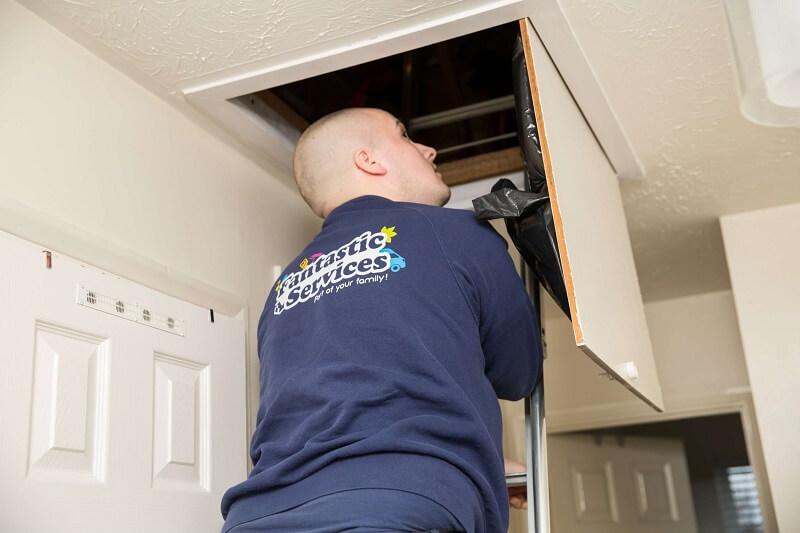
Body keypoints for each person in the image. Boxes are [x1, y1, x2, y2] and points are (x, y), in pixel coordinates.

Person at [219, 107, 542, 533]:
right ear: (368, 160)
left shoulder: (283, 290)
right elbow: (518, 375)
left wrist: (481, 460)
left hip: (259, 516)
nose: (429, 150)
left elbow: (349, 412)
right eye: (405, 136)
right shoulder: (457, 233)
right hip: (398, 507)